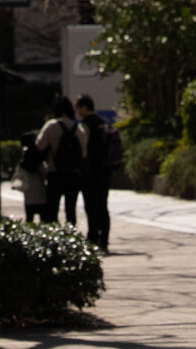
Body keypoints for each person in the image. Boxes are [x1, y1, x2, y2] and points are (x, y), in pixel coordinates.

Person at [75, 95, 121, 253]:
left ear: (84, 107)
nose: (77, 111)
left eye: (78, 108)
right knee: (103, 206)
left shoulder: (84, 125)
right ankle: (104, 241)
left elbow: (82, 150)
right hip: (105, 171)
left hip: (90, 173)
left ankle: (93, 238)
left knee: (90, 207)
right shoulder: (104, 123)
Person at [35, 96, 88, 225]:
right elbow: (84, 153)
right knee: (71, 210)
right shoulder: (78, 128)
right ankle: (72, 238)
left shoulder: (51, 125)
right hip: (73, 175)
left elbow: (39, 145)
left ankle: (53, 239)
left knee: (52, 210)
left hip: (54, 173)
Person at [11, 130, 48, 223]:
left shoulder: (23, 164)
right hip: (41, 195)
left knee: (29, 219)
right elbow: (45, 173)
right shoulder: (39, 162)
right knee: (43, 220)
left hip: (29, 196)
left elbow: (17, 177)